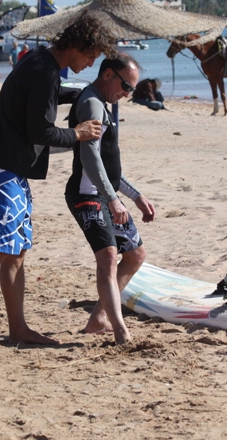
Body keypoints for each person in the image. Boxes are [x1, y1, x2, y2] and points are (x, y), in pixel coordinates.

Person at [0, 12, 118, 355]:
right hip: (1, 169)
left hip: (11, 170)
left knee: (16, 252)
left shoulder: (43, 65)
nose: (91, 64)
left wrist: (75, 94)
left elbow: (42, 97)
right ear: (77, 46)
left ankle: (18, 328)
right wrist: (77, 133)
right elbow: (40, 131)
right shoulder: (44, 70)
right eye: (90, 56)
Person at [65, 53, 156, 345]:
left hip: (105, 194)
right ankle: (119, 329)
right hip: (87, 196)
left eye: (132, 89)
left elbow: (108, 166)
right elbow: (89, 157)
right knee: (108, 258)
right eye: (126, 87)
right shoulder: (92, 102)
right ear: (107, 75)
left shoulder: (102, 103)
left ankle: (98, 319)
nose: (128, 94)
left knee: (135, 255)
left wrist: (135, 195)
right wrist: (113, 199)